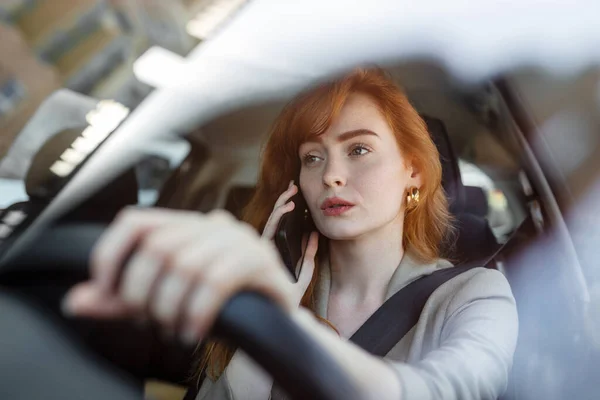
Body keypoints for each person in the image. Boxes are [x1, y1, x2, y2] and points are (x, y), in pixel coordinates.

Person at [63, 68, 518, 399]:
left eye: (358, 149)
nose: (332, 175)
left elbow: (447, 391)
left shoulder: (476, 293)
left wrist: (283, 324)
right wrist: (262, 306)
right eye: (313, 158)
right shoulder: (273, 289)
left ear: (413, 171)